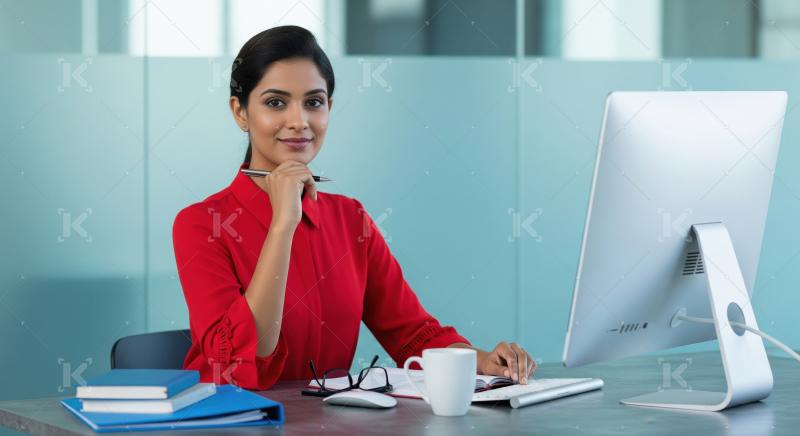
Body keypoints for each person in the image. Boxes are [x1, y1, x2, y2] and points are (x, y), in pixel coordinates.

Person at [172, 25, 536, 390]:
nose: (299, 122)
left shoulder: (350, 219)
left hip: (327, 422)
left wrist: (482, 361)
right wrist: (283, 224)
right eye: (275, 102)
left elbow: (412, 335)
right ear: (240, 112)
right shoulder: (202, 224)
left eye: (314, 102)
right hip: (232, 421)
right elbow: (242, 355)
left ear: (328, 108)